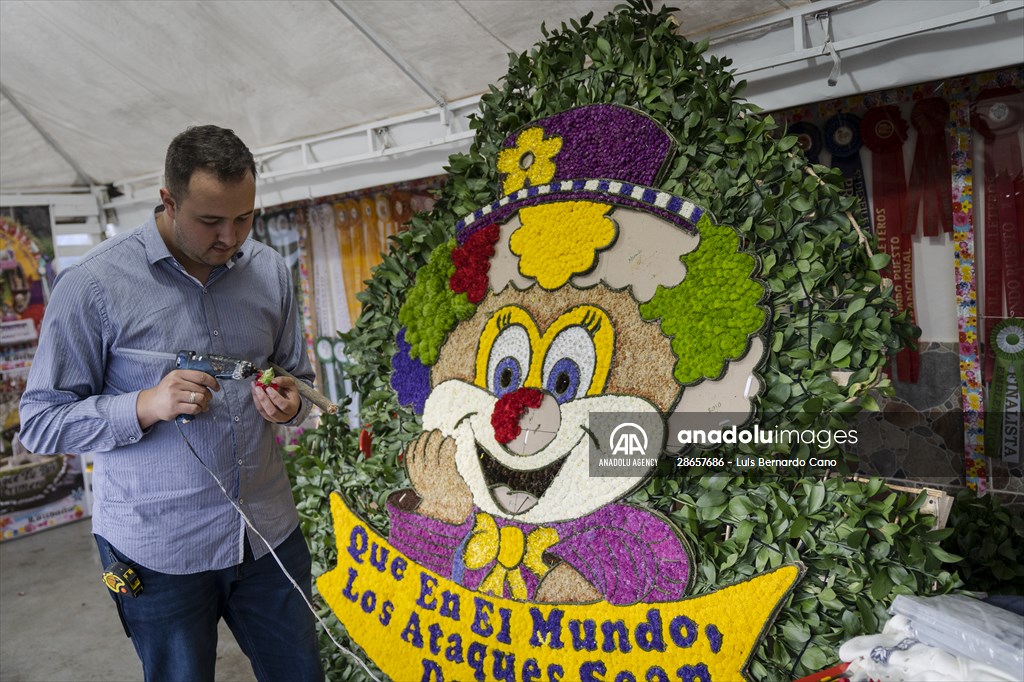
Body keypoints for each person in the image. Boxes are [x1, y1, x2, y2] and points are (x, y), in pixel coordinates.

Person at [18, 125, 324, 682]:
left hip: (266, 536)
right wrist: (143, 405)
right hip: (158, 551)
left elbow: (298, 382)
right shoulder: (92, 286)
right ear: (167, 201)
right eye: (210, 220)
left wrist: (290, 407)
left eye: (244, 217)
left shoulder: (269, 272)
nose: (230, 237)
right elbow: (39, 424)